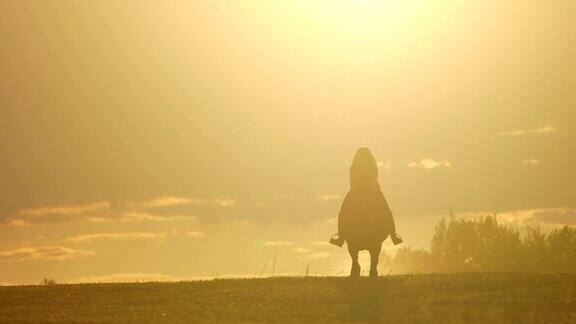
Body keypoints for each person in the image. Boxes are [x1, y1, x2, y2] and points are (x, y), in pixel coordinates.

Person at [329, 147, 402, 247]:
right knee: (343, 212)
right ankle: (340, 237)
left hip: (373, 191)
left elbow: (374, 179)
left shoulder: (372, 166)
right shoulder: (353, 168)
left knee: (387, 211)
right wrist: (356, 191)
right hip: (356, 192)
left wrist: (371, 190)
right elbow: (352, 182)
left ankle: (393, 235)